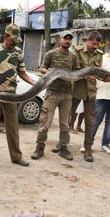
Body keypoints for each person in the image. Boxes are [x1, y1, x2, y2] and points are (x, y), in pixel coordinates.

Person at [0, 24, 35, 170]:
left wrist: (34, 83)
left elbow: (22, 73)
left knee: (13, 126)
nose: (14, 43)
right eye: (12, 40)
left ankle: (16, 157)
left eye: (17, 41)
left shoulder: (18, 52)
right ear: (6, 36)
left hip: (11, 94)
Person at [31, 31, 75, 160]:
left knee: (65, 124)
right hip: (52, 93)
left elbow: (75, 72)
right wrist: (53, 72)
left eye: (69, 39)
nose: (67, 41)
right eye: (65, 38)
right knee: (45, 123)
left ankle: (63, 148)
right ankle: (39, 149)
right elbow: (42, 69)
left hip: (67, 94)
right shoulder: (51, 54)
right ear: (60, 40)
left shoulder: (73, 57)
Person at [69, 31, 103, 162]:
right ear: (87, 41)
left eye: (97, 44)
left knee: (89, 122)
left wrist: (98, 76)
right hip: (76, 89)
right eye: (93, 43)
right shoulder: (77, 51)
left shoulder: (99, 55)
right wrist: (85, 75)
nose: (95, 46)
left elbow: (99, 72)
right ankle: (63, 144)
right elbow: (73, 70)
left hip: (91, 92)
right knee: (68, 119)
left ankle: (88, 149)